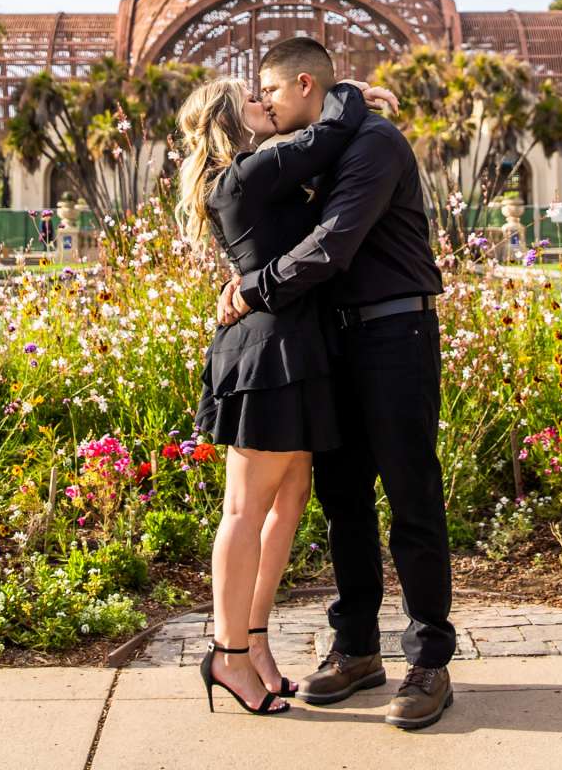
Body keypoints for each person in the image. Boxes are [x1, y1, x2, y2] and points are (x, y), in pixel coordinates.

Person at [218, 35, 458, 732]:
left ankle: (429, 660)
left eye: (268, 88)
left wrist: (252, 289)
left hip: (395, 333)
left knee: (411, 493)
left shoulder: (375, 145)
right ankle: (357, 648)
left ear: (302, 84)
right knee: (343, 498)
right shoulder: (325, 141)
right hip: (337, 338)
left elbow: (332, 244)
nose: (260, 100)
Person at [177, 69, 371, 717]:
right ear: (235, 119)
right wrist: (351, 89)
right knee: (245, 508)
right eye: (256, 100)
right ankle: (226, 654)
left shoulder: (259, 174)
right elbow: (334, 129)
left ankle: (255, 644)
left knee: (288, 503)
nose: (268, 104)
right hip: (265, 350)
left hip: (296, 344)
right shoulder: (244, 174)